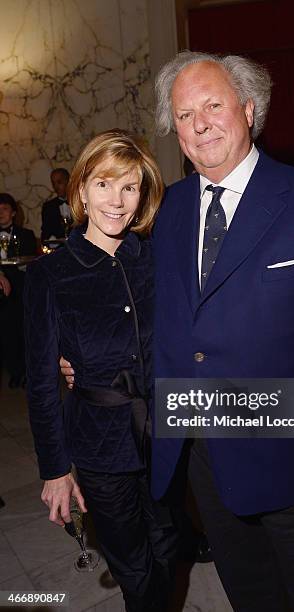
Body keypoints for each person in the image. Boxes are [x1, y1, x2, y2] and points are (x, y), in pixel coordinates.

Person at [63, 52, 294, 611]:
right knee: (249, 595)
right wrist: (82, 356)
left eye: (213, 105)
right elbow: (144, 313)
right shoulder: (167, 209)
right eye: (184, 115)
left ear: (248, 108)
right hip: (206, 455)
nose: (199, 123)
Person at [25, 130, 177, 612]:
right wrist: (54, 470)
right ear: (82, 190)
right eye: (105, 184)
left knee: (171, 546)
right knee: (133, 564)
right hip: (99, 444)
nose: (117, 200)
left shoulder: (156, 260)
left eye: (130, 187)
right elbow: (41, 384)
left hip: (168, 434)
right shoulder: (50, 274)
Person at [0, 193, 37, 387]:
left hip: (21, 288)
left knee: (24, 331)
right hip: (1, 293)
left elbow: (31, 262)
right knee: (7, 333)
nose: (1, 213)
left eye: (5, 208)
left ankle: (27, 372)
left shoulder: (26, 235)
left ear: (13, 213)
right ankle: (14, 372)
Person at [41, 168, 71, 241]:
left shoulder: (80, 203)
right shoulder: (48, 207)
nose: (56, 187)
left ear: (69, 181)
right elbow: (45, 232)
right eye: (53, 183)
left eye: (59, 182)